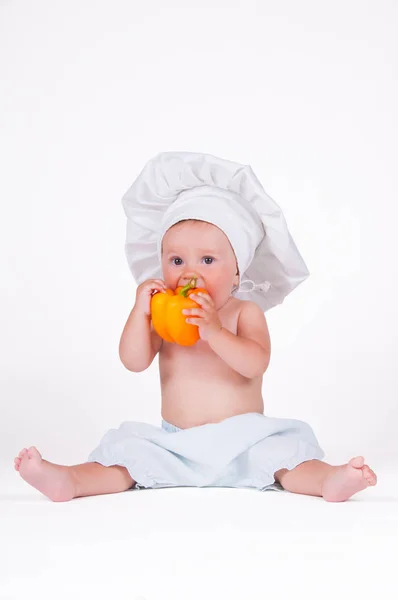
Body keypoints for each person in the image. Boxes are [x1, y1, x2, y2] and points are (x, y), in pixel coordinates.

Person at [14, 152, 377, 502]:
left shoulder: (243, 313)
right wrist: (139, 313)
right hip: (175, 444)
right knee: (127, 454)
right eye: (176, 259)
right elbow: (133, 360)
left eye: (207, 259)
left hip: (245, 441)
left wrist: (214, 331)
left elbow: (255, 364)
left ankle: (329, 480)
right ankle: (70, 480)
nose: (190, 271)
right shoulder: (165, 313)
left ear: (237, 272)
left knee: (285, 456)